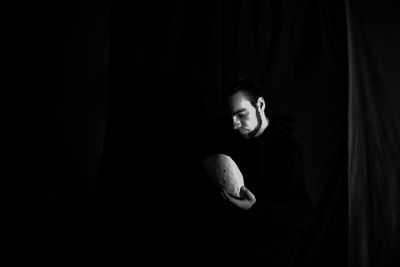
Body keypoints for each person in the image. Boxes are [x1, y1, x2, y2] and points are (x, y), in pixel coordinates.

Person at [204, 79, 317, 267]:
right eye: (231, 116)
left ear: (260, 105)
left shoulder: (291, 151)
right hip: (238, 252)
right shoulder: (235, 145)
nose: (235, 125)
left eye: (241, 115)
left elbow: (306, 214)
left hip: (278, 257)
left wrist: (255, 208)